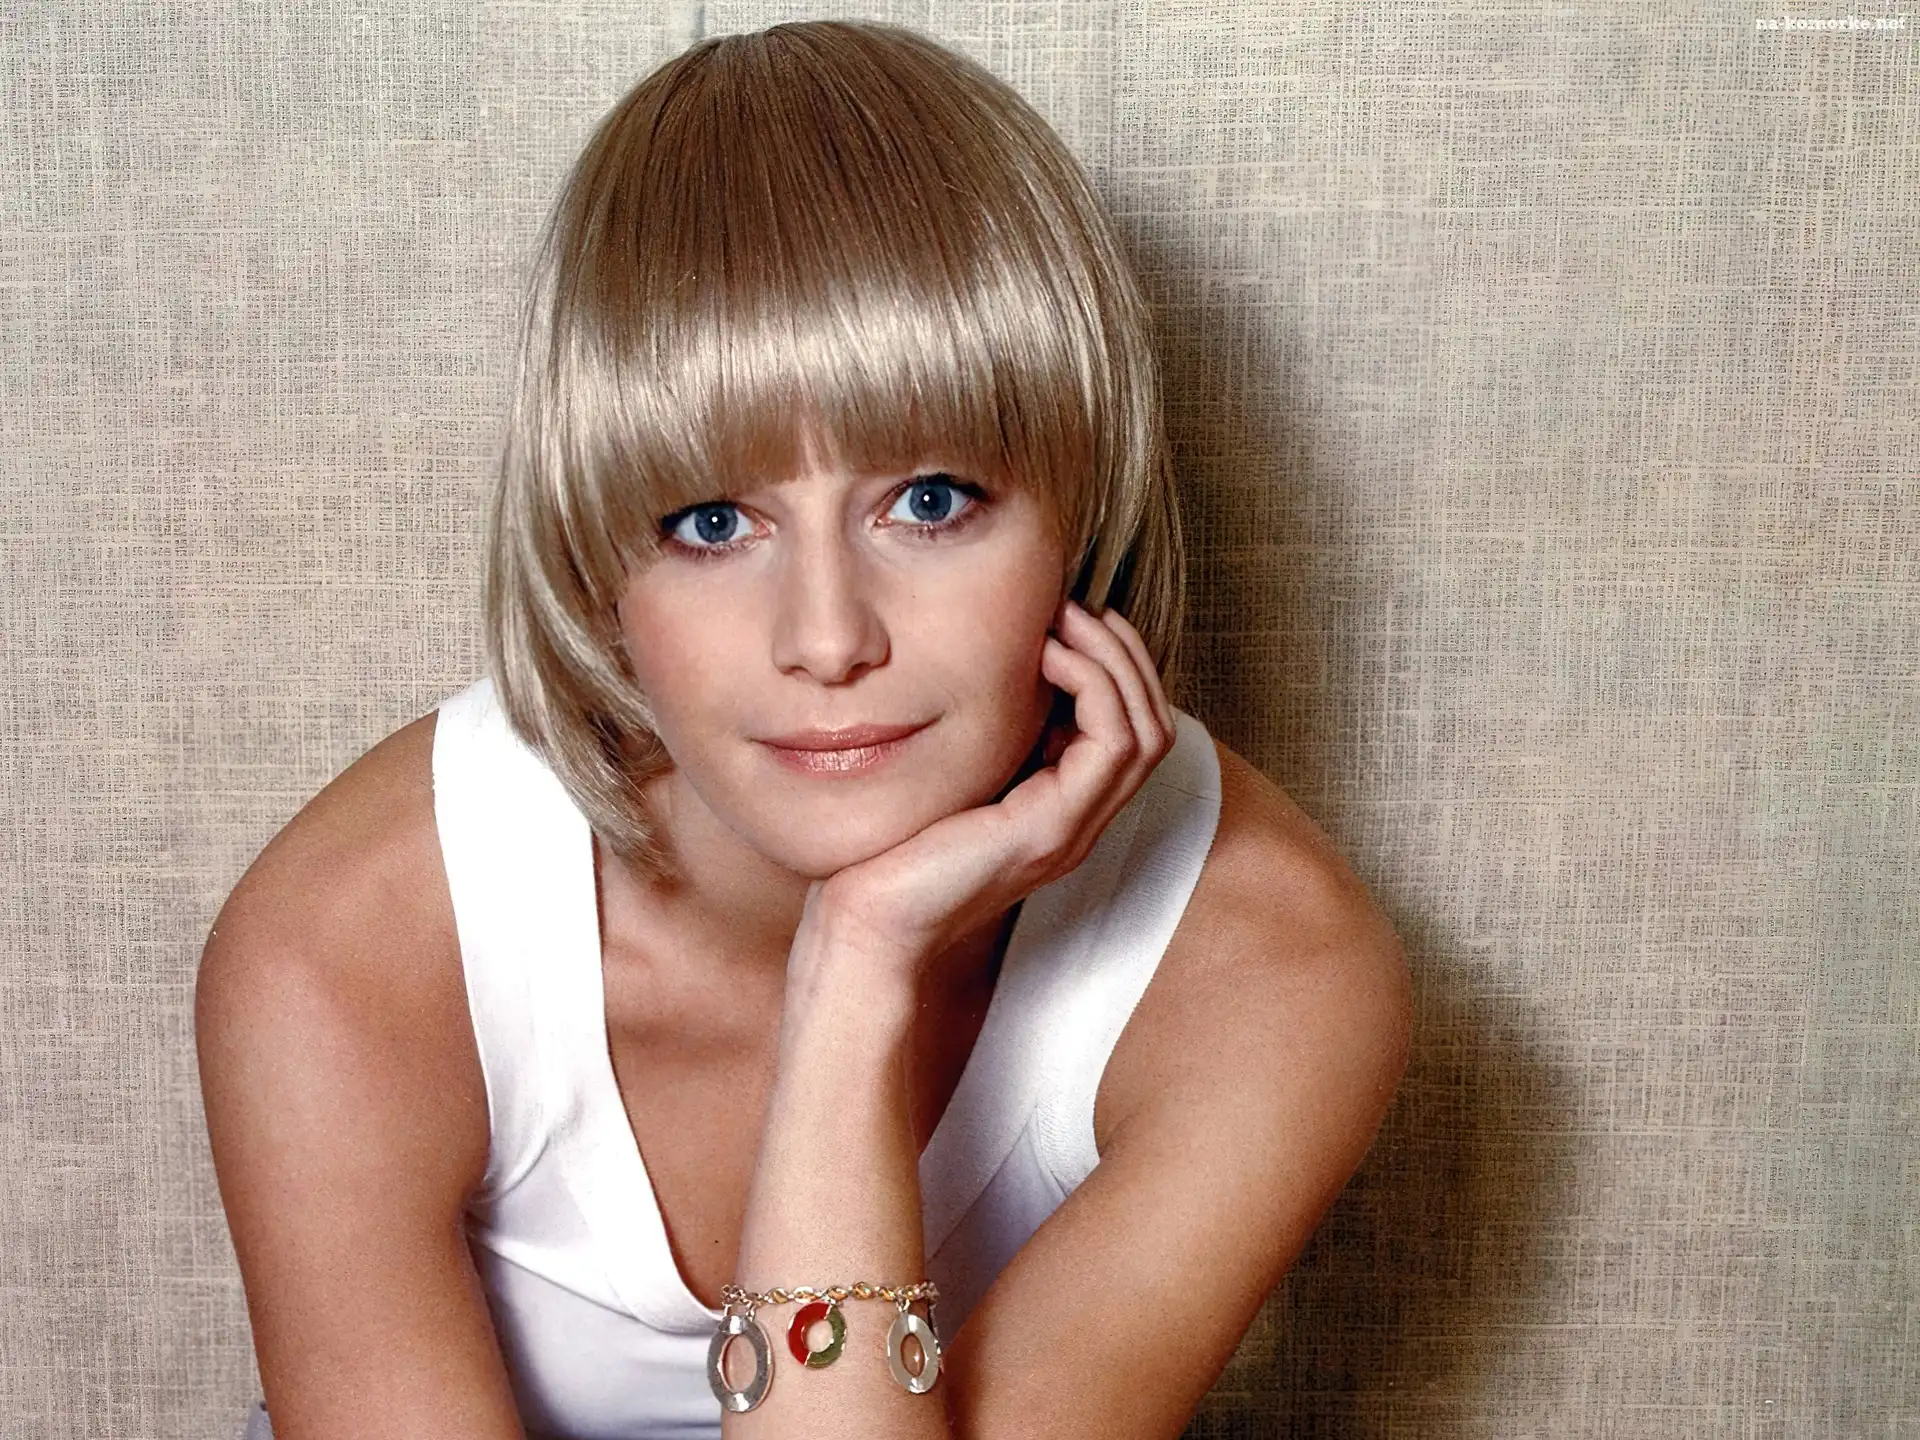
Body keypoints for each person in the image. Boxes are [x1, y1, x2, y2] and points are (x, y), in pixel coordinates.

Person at [195, 19, 1410, 1440]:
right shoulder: (354, 948)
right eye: (713, 522)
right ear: (595, 560)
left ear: (1082, 509)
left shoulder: (1267, 964)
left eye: (932, 502)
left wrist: (854, 970)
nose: (829, 639)